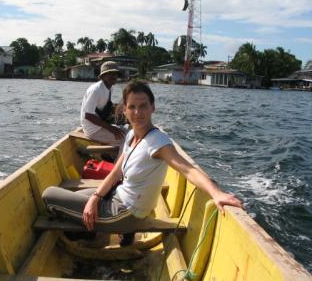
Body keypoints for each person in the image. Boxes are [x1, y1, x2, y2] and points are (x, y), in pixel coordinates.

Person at [43, 81, 242, 245]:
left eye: (143, 105)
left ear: (153, 107)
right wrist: (95, 197)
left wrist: (216, 193)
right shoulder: (131, 135)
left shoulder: (158, 142)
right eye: (132, 107)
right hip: (117, 195)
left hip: (126, 212)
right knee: (79, 198)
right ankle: (92, 229)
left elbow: (188, 169)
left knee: (49, 195)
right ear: (124, 110)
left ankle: (90, 232)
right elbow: (115, 173)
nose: (138, 112)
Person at [80, 61, 125, 147]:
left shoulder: (110, 88)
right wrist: (111, 128)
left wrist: (122, 110)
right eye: (110, 73)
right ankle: (119, 160)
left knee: (127, 131)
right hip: (92, 129)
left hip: (100, 123)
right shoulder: (96, 90)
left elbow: (106, 106)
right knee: (124, 139)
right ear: (103, 76)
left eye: (115, 74)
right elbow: (88, 115)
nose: (113, 76)